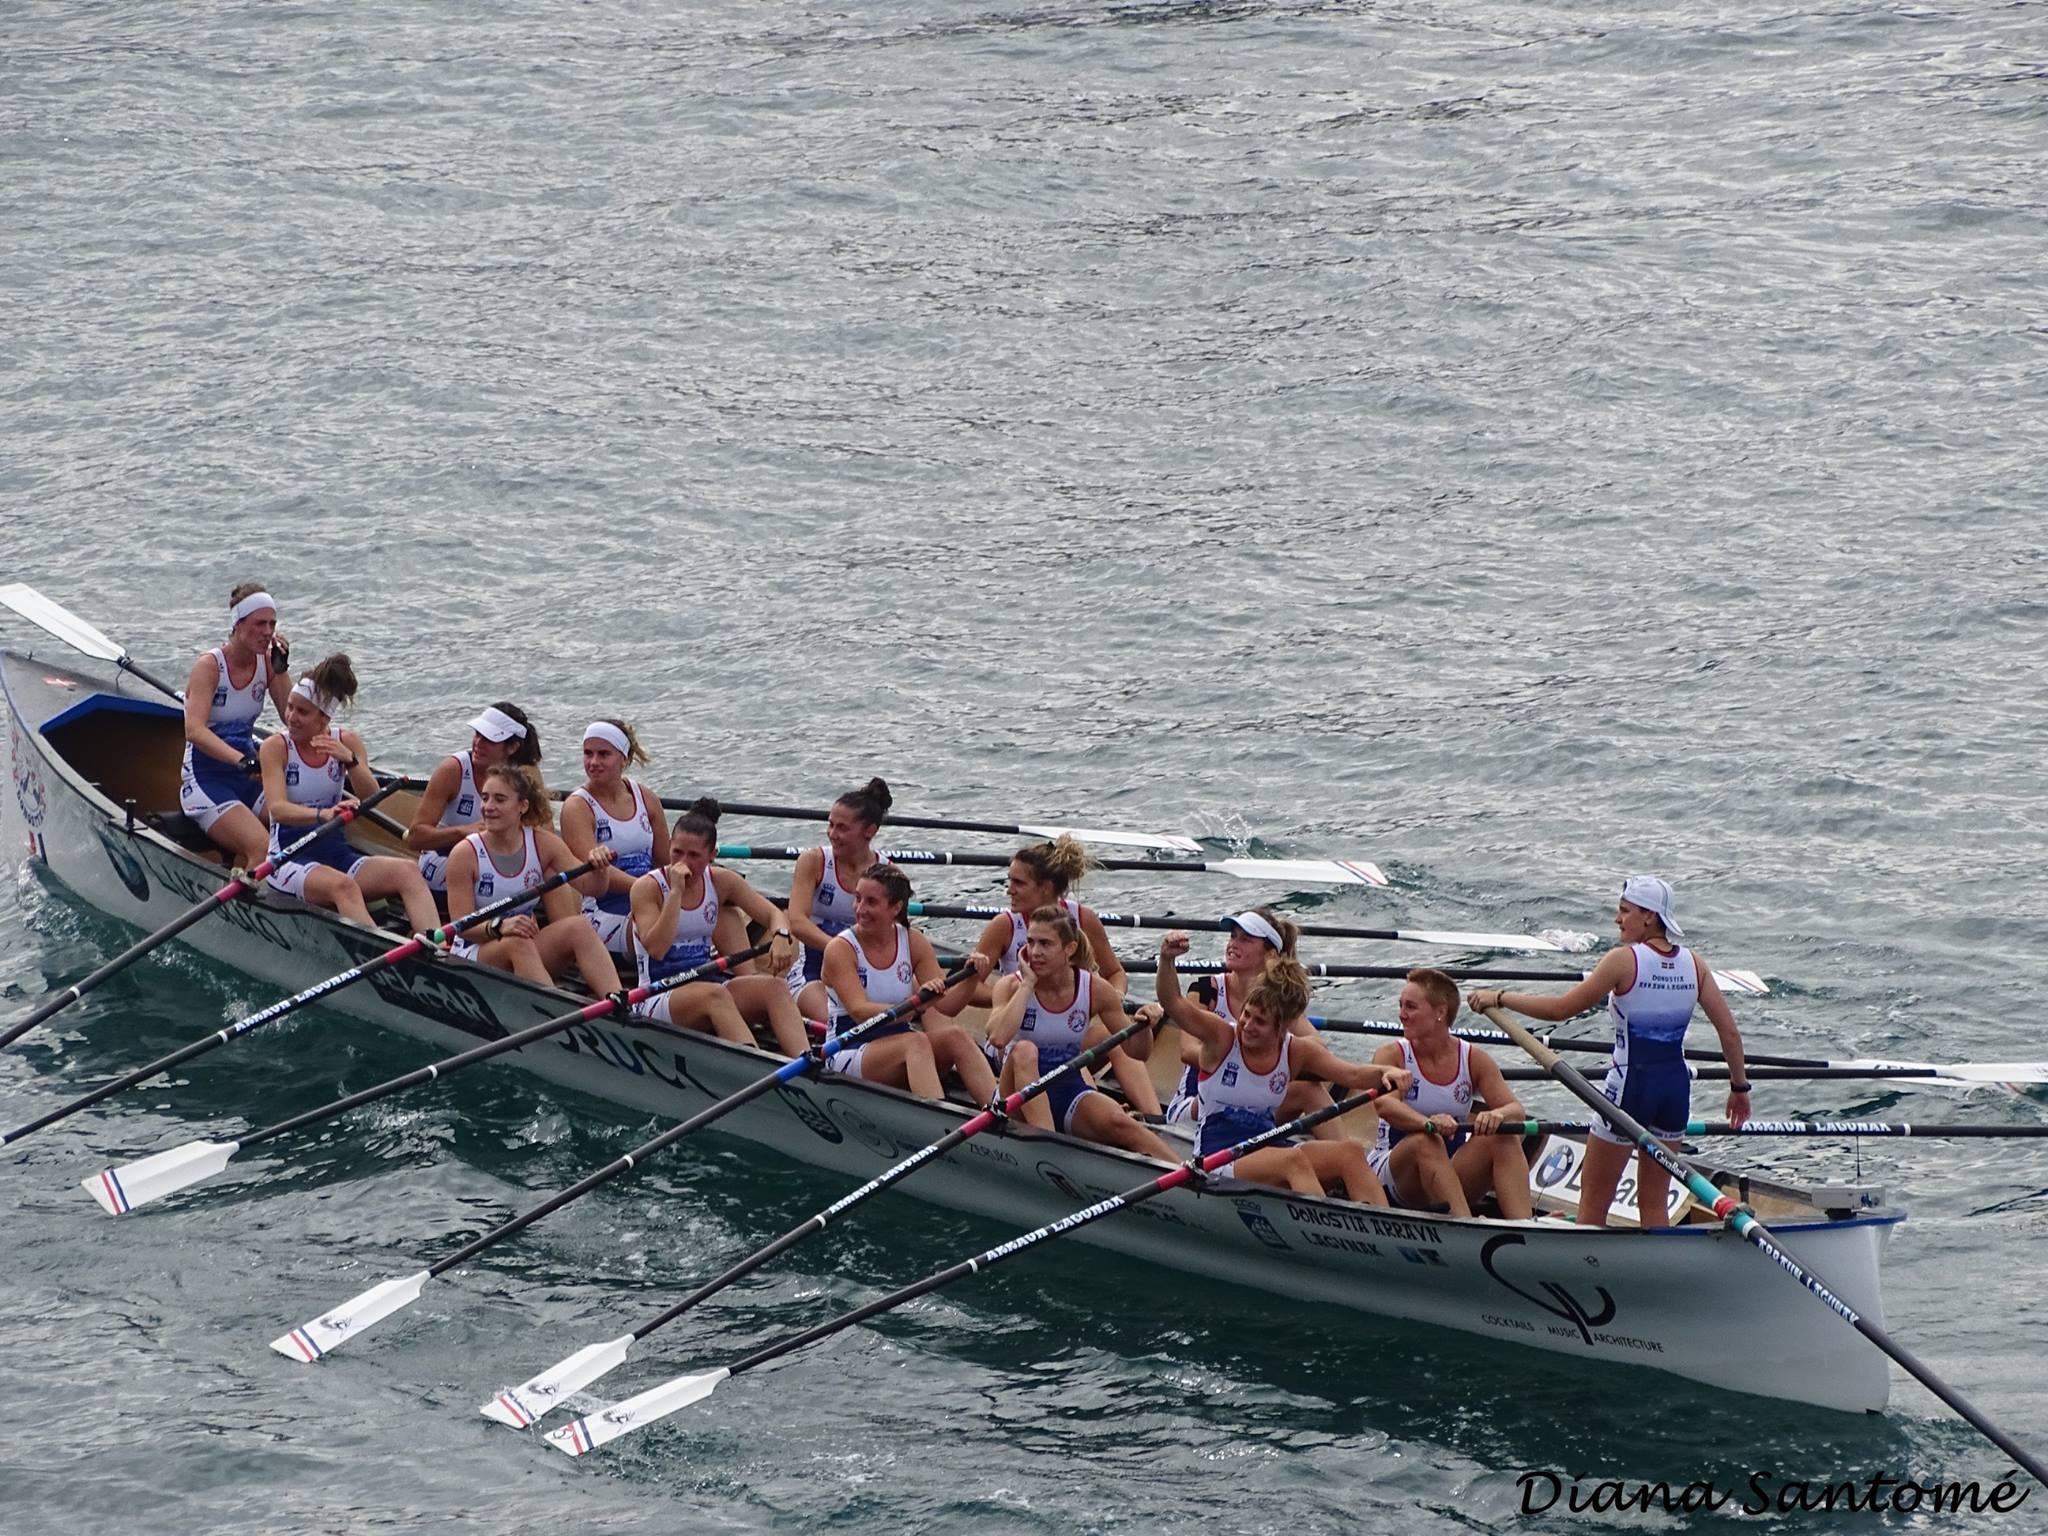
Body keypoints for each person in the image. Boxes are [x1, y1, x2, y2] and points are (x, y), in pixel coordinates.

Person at [1467, 876, 1751, 1228]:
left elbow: (1560, 1009)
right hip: (1675, 1091)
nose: (1617, 919)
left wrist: (1500, 998)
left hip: (1629, 1090)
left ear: (1649, 916)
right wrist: (1739, 1088)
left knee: (1594, 1204)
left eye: (1624, 911)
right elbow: (1730, 1033)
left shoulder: (1623, 960)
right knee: (1654, 1206)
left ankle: (1587, 1262)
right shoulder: (1695, 964)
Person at [1157, 933, 1409, 1203]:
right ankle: (1320, 1224)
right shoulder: (1222, 1037)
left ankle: (1382, 1222)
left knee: (1350, 1153)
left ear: (1281, 1028)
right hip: (1217, 1156)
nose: (1247, 1026)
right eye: (1246, 1015)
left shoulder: (1296, 1050)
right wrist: (1167, 959)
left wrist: (1386, 1073)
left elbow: (1353, 1075)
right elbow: (1173, 1002)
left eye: (1260, 1022)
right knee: (1293, 1161)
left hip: (1268, 1146)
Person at [258, 655, 440, 935]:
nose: (291, 717)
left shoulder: (347, 742)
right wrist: (323, 814)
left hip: (336, 853)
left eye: (302, 712)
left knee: (408, 871)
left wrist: (351, 762)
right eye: (290, 707)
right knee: (344, 886)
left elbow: (372, 797)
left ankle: (437, 948)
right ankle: (378, 952)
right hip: (287, 858)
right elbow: (278, 809)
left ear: (324, 718)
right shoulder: (276, 747)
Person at [985, 906, 1175, 1159]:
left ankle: (1192, 1175)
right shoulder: (1010, 986)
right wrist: (1028, 984)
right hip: (1015, 1098)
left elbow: (1138, 1053)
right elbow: (997, 1037)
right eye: (1030, 942)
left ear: (1069, 949)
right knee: (1024, 1050)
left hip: (1067, 1088)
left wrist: (1143, 1027)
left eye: (1045, 944)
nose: (1035, 952)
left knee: (1122, 1124)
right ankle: (1050, 1150)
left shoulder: (1095, 989)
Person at [628, 799, 808, 1055]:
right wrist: (676, 893)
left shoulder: (721, 881)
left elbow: (772, 914)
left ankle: (805, 1065)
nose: (683, 862)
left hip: (707, 985)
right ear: (669, 846)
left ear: (712, 855)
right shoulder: (647, 888)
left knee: (775, 987)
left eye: (694, 856)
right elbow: (657, 949)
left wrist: (781, 935)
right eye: (677, 852)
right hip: (656, 995)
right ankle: (754, 1065)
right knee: (715, 995)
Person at [820, 863, 996, 1102]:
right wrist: (917, 1005)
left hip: (900, 1048)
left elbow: (948, 1006)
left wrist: (972, 978)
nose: (860, 909)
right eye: (858, 898)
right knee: (916, 1042)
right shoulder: (840, 949)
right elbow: (860, 1011)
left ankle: (999, 1112)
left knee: (956, 1036)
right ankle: (936, 1117)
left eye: (871, 902)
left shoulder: (913, 941)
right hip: (848, 1048)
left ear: (896, 908)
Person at [1162, 910, 1343, 1142]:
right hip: (1196, 1106)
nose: (1233, 944)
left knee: (1309, 1089)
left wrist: (1275, 1064)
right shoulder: (1206, 990)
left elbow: (1318, 1048)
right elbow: (1188, 1051)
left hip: (1250, 1108)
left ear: (1270, 954)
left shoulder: (1277, 1002)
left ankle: (1343, 1160)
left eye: (1245, 939)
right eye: (1233, 936)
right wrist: (1250, 1065)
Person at [444, 762, 622, 993]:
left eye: (499, 799)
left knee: (579, 926)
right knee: (517, 943)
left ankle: (619, 1002)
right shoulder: (465, 854)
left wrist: (600, 867)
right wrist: (500, 926)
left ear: (522, 806)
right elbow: (462, 926)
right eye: (485, 798)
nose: (488, 807)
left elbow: (593, 889)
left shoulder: (543, 843)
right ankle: (555, 1010)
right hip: (473, 952)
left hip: (524, 946)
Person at [1369, 969, 1533, 1218]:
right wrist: (1428, 1124)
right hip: (1394, 1174)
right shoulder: (1392, 1055)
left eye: (1411, 1007)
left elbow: (1516, 1110)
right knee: (1426, 1141)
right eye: (1401, 1005)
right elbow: (1385, 1106)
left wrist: (1498, 1115)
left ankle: (1524, 1225)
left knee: (1504, 1136)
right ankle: (1465, 1226)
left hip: (1447, 1169)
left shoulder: (1474, 1059)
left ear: (1440, 1012)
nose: (1401, 1014)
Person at [181, 583, 294, 867]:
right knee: (262, 847)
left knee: (297, 830)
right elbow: (194, 730)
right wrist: (241, 761)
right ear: (238, 624)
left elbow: (292, 719)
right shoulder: (209, 667)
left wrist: (281, 670)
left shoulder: (267, 663)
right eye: (259, 624)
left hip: (248, 776)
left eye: (272, 624)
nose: (268, 632)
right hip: (206, 779)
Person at [970, 836, 1130, 1000]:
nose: (1009, 890)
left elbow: (1115, 973)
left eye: (1018, 883)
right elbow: (970, 987)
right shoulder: (1004, 926)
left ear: (1046, 887)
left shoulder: (1084, 918)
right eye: (1010, 881)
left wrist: (1116, 997)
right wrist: (1012, 997)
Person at [404, 704, 541, 893]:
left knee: (549, 868)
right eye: (477, 734)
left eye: (489, 739)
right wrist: (463, 832)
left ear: (512, 747)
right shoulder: (453, 770)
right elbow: (415, 838)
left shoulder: (526, 775)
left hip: (499, 861)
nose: (478, 743)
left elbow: (544, 833)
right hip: (443, 860)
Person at [784, 777, 890, 1020]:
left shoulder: (887, 873)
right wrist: (841, 951)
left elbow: (895, 933)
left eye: (842, 828)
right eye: (831, 825)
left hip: (865, 971)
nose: (832, 834)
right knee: (840, 1019)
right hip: (813, 970)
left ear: (870, 831)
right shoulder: (814, 861)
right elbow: (797, 922)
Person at [559, 720, 666, 957]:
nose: (593, 762)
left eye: (603, 754)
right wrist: (649, 889)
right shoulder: (577, 807)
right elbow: (590, 874)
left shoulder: (645, 797)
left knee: (722, 909)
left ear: (624, 759)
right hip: (603, 911)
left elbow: (665, 860)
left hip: (650, 897)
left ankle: (744, 972)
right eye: (588, 753)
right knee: (664, 925)